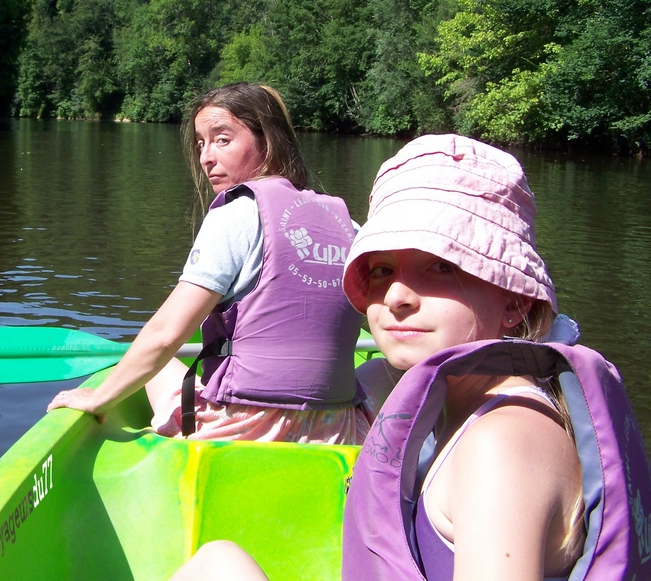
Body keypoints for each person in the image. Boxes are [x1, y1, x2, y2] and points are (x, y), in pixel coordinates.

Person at [168, 134, 651, 580]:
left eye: (440, 266)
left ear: (514, 302)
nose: (396, 294)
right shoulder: (463, 402)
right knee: (219, 561)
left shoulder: (503, 443)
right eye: (380, 269)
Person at [47, 83, 373, 445]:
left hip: (246, 430)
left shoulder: (236, 214)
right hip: (338, 429)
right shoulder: (349, 225)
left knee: (152, 365)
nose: (205, 157)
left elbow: (165, 334)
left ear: (268, 140)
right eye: (201, 143)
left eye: (222, 140)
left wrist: (99, 397)